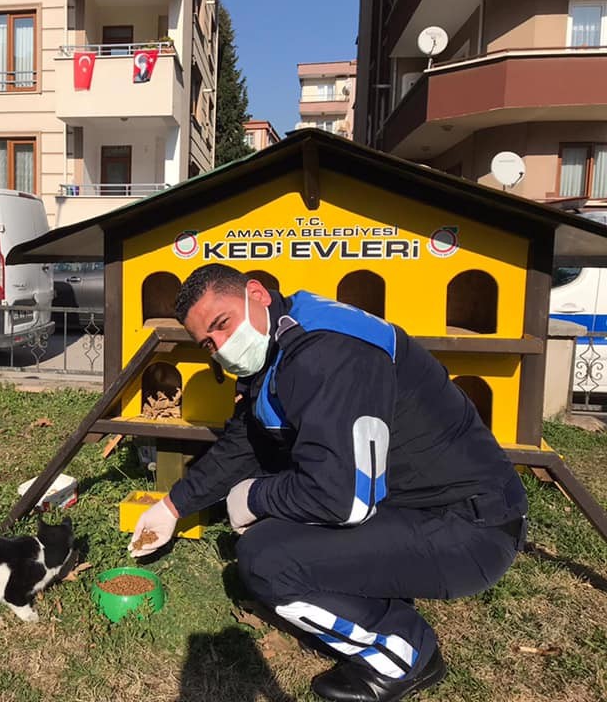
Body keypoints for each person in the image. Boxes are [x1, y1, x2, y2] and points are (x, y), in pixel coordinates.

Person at [129, 263, 527, 702]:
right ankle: (380, 590)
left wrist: (256, 497)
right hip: (418, 504)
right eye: (209, 342)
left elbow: (342, 501)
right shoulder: (280, 339)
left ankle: (403, 653)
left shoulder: (325, 353)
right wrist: (172, 506)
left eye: (222, 325)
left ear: (256, 294)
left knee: (266, 559)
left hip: (471, 530)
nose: (221, 347)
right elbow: (244, 442)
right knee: (276, 524)